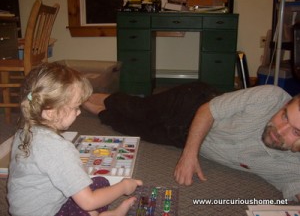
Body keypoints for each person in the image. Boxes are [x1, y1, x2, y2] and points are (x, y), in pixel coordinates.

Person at [83, 82, 300, 202]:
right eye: (284, 116)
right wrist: (189, 155)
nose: (279, 130)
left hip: (182, 137)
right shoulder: (269, 96)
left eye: (296, 132)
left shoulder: (294, 170)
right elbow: (207, 111)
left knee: (130, 127)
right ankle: (80, 93)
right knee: (138, 109)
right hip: (193, 105)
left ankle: (89, 107)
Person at [7, 63, 143, 216]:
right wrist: (124, 186)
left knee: (101, 183)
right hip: (48, 212)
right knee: (96, 196)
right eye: (75, 107)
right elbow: (88, 202)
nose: (79, 113)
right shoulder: (59, 149)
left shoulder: (24, 129)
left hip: (30, 207)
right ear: (50, 112)